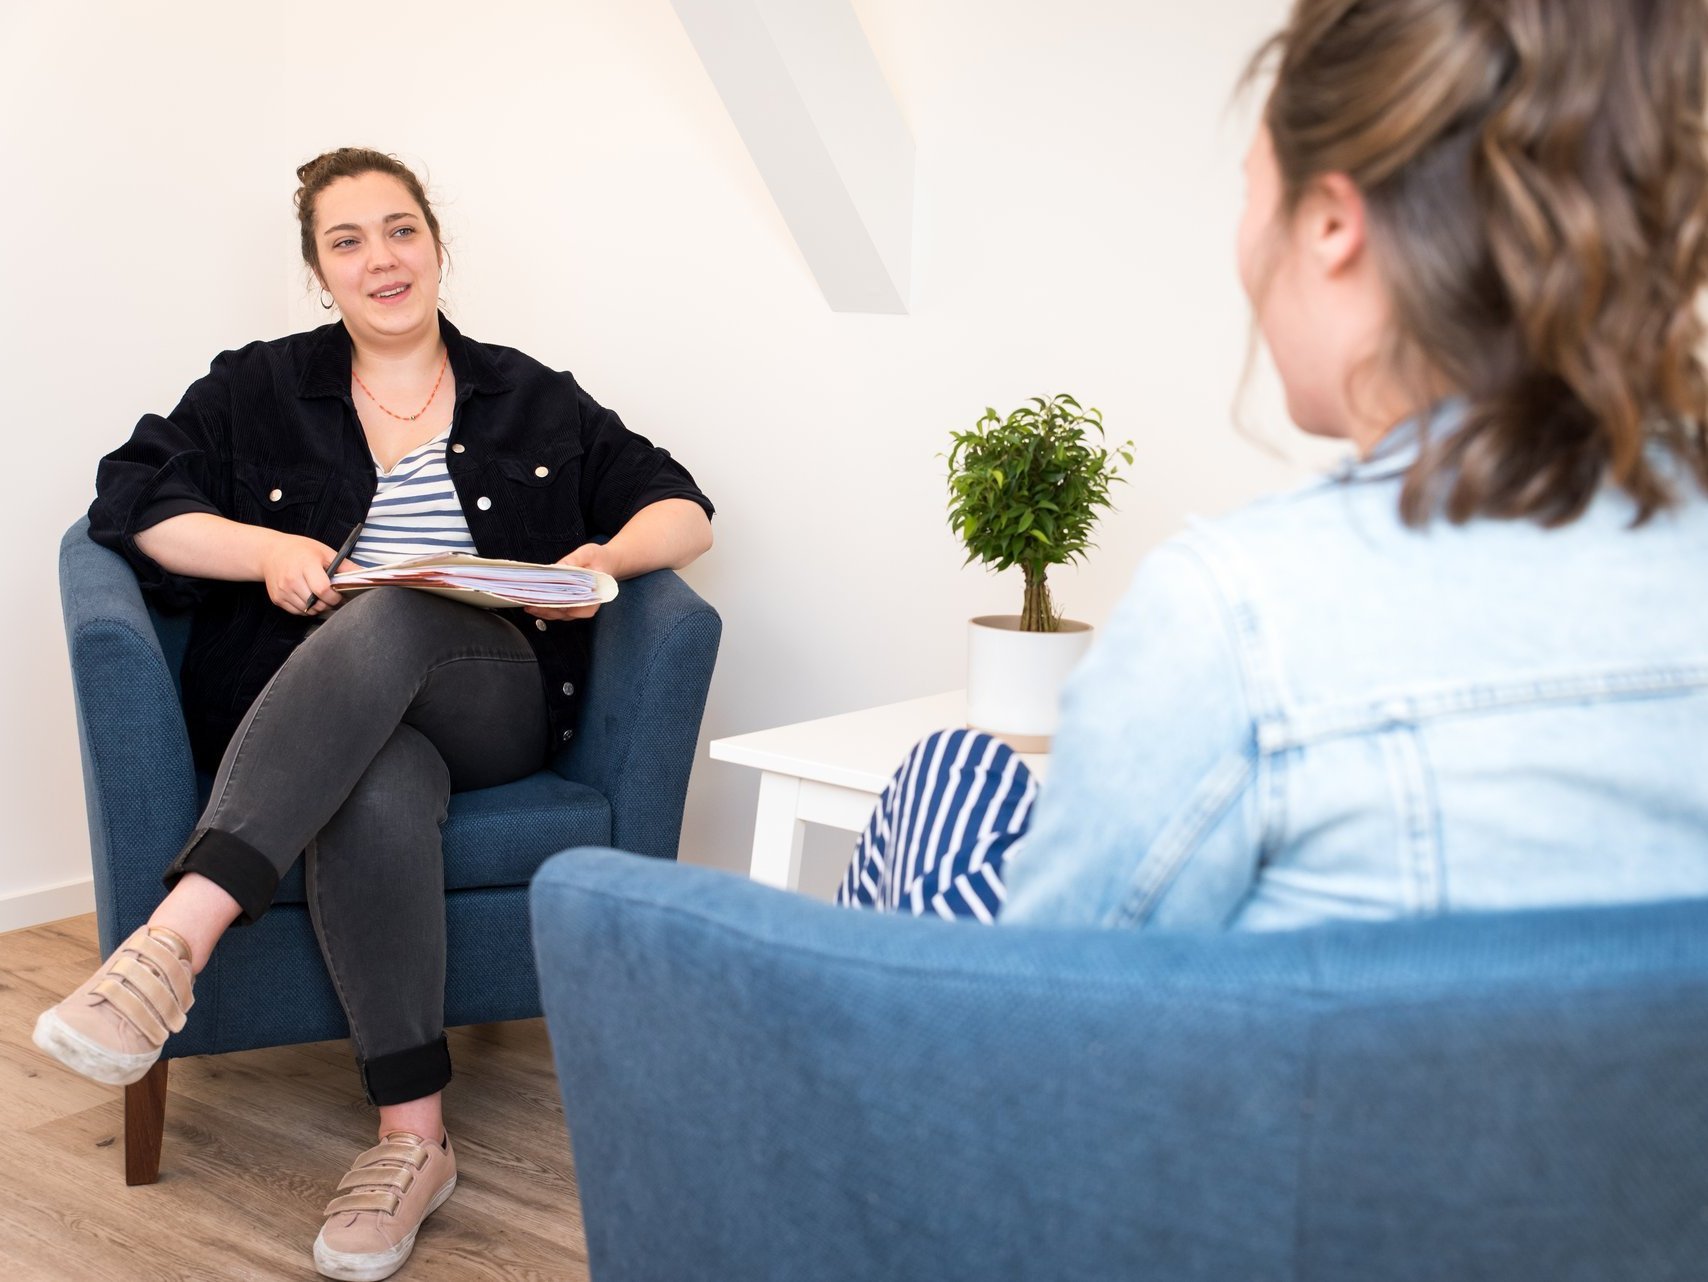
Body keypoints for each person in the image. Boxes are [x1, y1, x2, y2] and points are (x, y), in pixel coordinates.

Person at [841, 0, 1708, 927]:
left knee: (953, 775)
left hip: (1193, 1065)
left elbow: (1054, 1028)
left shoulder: (1235, 621)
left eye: (1255, 187)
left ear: (1333, 221)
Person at [34, 147, 713, 1281]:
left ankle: (174, 943)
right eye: (347, 241)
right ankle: (414, 1138)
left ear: (437, 245)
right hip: (334, 719)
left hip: (491, 695)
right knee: (379, 781)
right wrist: (266, 553)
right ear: (318, 272)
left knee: (399, 612)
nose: (379, 259)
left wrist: (600, 557)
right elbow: (132, 498)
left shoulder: (528, 394)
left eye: (399, 231)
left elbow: (682, 509)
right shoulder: (259, 387)